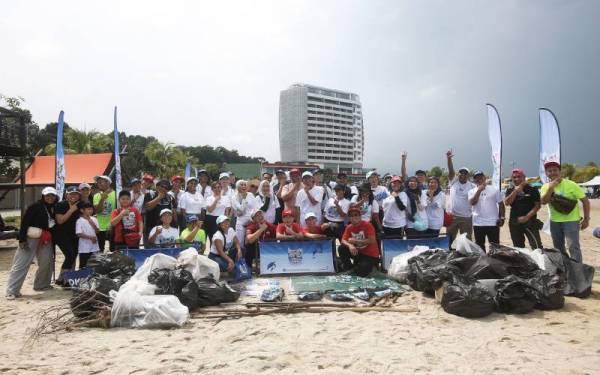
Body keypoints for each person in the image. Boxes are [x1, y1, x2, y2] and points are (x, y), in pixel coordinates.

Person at [5, 187, 57, 300]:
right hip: (30, 237)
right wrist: (22, 239)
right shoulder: (35, 206)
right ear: (43, 196)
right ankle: (12, 291)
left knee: (46, 261)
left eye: (52, 196)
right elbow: (25, 222)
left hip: (45, 238)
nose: (50, 198)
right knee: (21, 264)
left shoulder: (54, 207)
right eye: (48, 195)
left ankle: (41, 284)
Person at [540, 161, 590, 262]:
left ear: (560, 171)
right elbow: (544, 202)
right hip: (554, 221)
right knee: (558, 248)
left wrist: (586, 219)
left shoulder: (571, 185)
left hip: (571, 221)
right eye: (550, 171)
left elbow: (586, 202)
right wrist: (551, 188)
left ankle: (577, 273)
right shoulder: (545, 187)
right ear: (546, 173)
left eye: (555, 170)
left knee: (573, 247)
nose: (553, 173)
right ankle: (565, 270)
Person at [504, 168, 543, 249]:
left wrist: (526, 217)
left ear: (524, 177)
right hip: (514, 222)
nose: (516, 179)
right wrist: (515, 191)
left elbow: (537, 206)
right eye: (514, 177)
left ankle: (538, 261)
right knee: (518, 247)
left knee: (536, 246)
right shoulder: (510, 189)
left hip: (530, 222)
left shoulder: (532, 189)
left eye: (519, 176)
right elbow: (507, 203)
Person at [468, 171, 505, 251]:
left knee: (495, 246)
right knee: (480, 245)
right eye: (477, 178)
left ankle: (495, 262)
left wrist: (502, 217)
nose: (479, 179)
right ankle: (483, 262)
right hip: (478, 223)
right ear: (474, 180)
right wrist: (479, 191)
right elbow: (472, 203)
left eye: (481, 177)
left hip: (493, 222)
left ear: (484, 178)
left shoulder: (494, 190)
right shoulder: (471, 191)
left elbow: (501, 204)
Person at [338, 207, 380, 277]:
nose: (353, 217)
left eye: (356, 215)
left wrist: (356, 241)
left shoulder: (368, 225)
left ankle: (371, 266)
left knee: (361, 273)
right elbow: (343, 240)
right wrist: (350, 245)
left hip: (370, 254)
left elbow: (372, 240)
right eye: (351, 215)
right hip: (358, 252)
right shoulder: (349, 227)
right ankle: (349, 267)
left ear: (360, 216)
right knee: (341, 248)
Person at [54, 186, 82, 285]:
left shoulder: (81, 205)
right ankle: (64, 278)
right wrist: (71, 210)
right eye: (71, 193)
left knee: (73, 256)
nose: (73, 196)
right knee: (70, 255)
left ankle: (65, 279)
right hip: (61, 235)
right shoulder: (60, 205)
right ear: (67, 195)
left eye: (76, 194)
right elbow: (60, 221)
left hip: (75, 235)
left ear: (79, 196)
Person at [446, 150, 476, 243]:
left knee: (467, 241)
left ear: (468, 175)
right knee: (449, 240)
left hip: (466, 218)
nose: (462, 174)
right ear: (458, 174)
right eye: (461, 172)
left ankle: (466, 256)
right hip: (452, 216)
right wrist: (449, 159)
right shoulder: (453, 181)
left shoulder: (472, 186)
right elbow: (451, 171)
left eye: (465, 173)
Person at [143, 179, 177, 247]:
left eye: (167, 188)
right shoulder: (150, 194)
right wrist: (158, 197)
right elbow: (147, 207)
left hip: (166, 228)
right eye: (163, 187)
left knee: (165, 247)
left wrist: (175, 226)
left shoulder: (170, 198)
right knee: (150, 248)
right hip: (151, 226)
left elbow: (174, 213)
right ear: (157, 186)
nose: (164, 189)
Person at [92, 175, 116, 252]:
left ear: (108, 183)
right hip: (100, 227)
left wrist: (112, 225)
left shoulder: (116, 194)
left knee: (113, 250)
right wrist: (102, 199)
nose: (99, 183)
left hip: (113, 226)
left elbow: (118, 210)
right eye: (98, 182)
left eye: (101, 181)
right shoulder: (96, 196)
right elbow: (97, 211)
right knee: (99, 251)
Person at [231, 179, 256, 248]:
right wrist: (244, 199)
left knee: (250, 241)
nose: (243, 186)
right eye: (241, 185)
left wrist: (252, 218)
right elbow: (241, 211)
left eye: (245, 185)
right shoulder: (234, 197)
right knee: (240, 243)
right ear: (237, 187)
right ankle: (240, 257)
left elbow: (255, 207)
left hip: (251, 220)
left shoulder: (250, 194)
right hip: (240, 222)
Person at [76, 201, 100, 268]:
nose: (90, 211)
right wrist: (91, 238)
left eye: (91, 209)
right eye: (88, 209)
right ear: (82, 210)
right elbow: (79, 234)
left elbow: (98, 232)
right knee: (83, 266)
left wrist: (93, 225)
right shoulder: (79, 221)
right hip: (84, 248)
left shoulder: (94, 219)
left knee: (94, 266)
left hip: (94, 247)